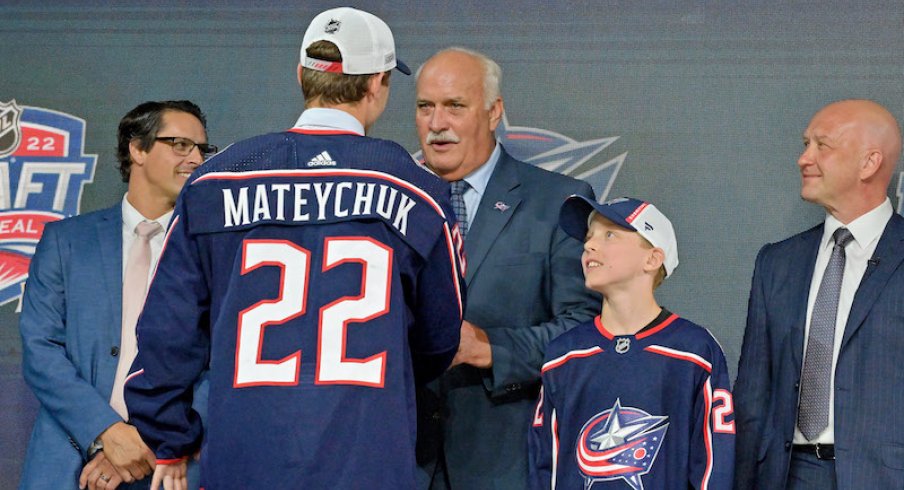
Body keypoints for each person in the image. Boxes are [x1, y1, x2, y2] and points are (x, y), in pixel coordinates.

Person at [124, 7, 465, 490]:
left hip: (246, 457)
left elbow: (165, 335)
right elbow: (438, 340)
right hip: (367, 456)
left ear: (301, 76)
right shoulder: (418, 191)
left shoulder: (214, 182)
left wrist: (171, 437)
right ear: (377, 86)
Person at [414, 47, 601, 489]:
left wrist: (488, 349)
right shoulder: (390, 203)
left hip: (505, 461)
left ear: (494, 112)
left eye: (454, 106)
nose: (437, 124)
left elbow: (585, 330)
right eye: (425, 107)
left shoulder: (557, 202)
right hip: (400, 457)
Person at [18, 100, 214, 490]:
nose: (195, 158)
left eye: (201, 149)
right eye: (180, 145)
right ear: (137, 149)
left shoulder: (213, 248)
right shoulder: (67, 241)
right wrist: (107, 431)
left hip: (173, 465)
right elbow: (41, 349)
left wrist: (156, 439)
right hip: (70, 459)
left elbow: (223, 357)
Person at [734, 99, 904, 489]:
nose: (803, 158)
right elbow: (753, 396)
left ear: (869, 163)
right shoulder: (777, 262)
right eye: (805, 144)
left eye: (821, 145)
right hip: (788, 474)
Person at [528, 196, 735, 489]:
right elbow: (545, 462)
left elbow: (714, 464)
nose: (589, 246)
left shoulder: (693, 351)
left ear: (652, 259)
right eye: (588, 238)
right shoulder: (564, 354)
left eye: (609, 234)